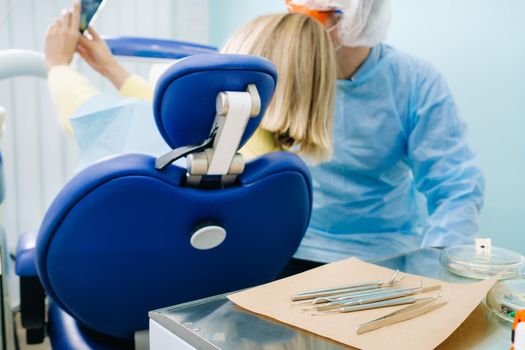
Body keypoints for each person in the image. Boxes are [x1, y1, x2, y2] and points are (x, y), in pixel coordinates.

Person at [282, 0, 485, 264]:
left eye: (311, 17)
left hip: (384, 254)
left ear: (353, 20)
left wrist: (439, 269)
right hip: (293, 246)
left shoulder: (415, 81)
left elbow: (455, 186)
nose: (297, 30)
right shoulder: (283, 73)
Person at [45, 2, 336, 169]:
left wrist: (58, 65)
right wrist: (113, 71)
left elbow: (89, 115)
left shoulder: (201, 143)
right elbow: (158, 109)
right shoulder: (276, 166)